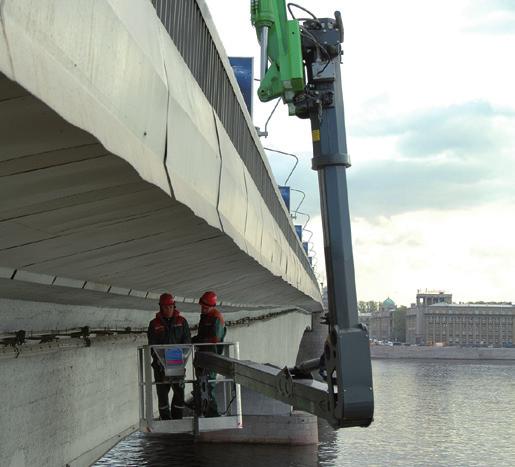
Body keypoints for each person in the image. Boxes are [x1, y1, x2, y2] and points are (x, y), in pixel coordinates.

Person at [147, 292, 191, 420]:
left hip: (178, 364)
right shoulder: (154, 324)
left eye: (171, 307)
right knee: (162, 395)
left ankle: (177, 419)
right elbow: (152, 346)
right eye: (166, 307)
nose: (168, 310)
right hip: (160, 366)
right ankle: (165, 421)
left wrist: (180, 357)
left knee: (179, 394)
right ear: (161, 307)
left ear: (174, 306)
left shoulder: (182, 322)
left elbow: (187, 342)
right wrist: (161, 360)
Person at [192, 291, 226, 417]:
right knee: (202, 385)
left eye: (205, 307)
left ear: (212, 306)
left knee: (208, 386)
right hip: (203, 356)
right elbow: (202, 336)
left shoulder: (216, 318)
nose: (203, 309)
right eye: (202, 307)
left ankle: (213, 415)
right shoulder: (206, 316)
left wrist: (199, 341)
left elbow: (215, 340)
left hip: (211, 357)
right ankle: (206, 413)